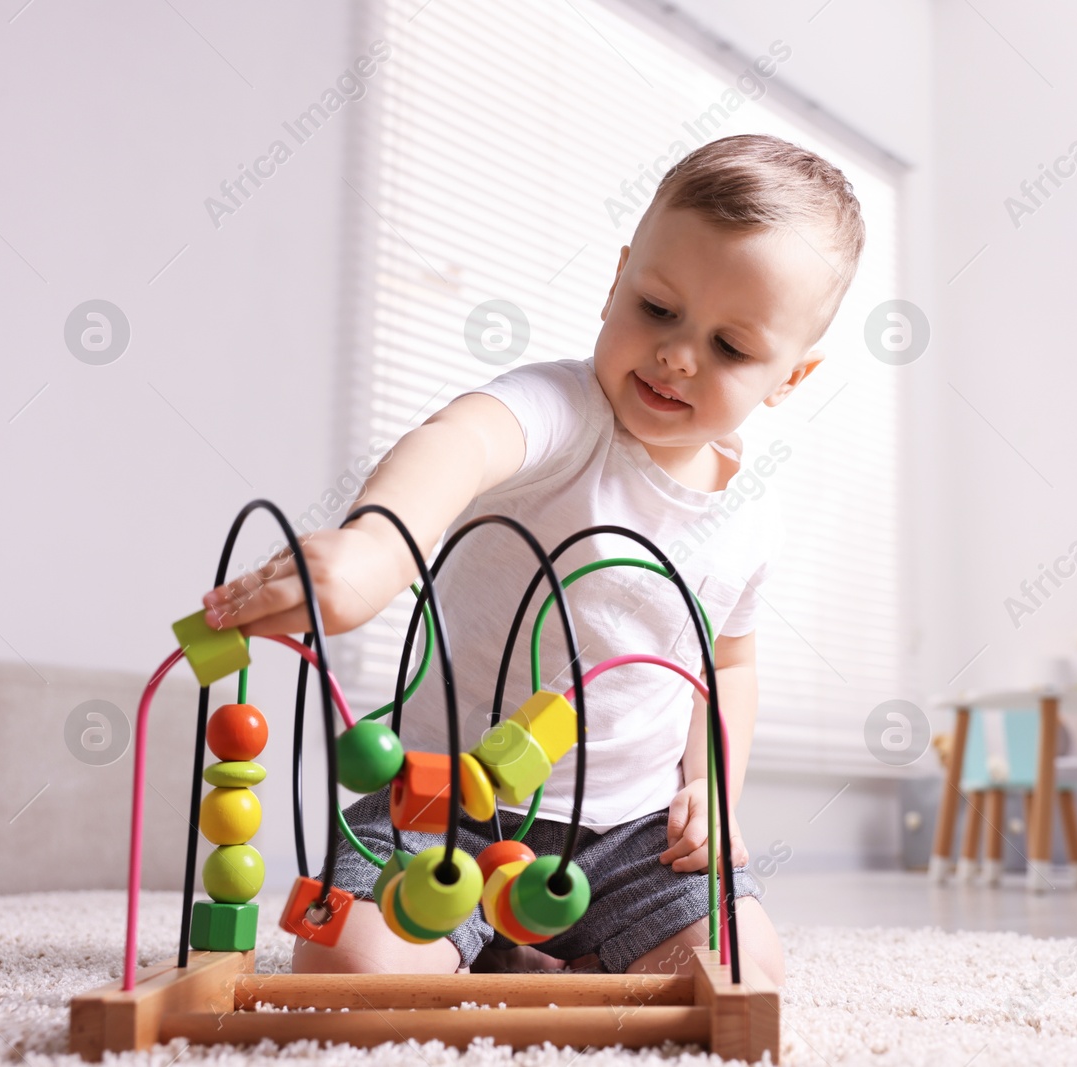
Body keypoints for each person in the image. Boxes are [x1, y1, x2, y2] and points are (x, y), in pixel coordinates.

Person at [202, 133, 866, 986]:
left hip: (634, 839)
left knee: (742, 972)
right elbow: (460, 442)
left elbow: (726, 662)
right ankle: (500, 940)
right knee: (349, 969)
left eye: (731, 349)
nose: (677, 355)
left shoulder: (751, 514)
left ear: (790, 378)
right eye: (657, 308)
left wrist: (712, 783)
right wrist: (376, 548)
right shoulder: (560, 410)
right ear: (616, 278)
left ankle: (537, 943)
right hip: (445, 807)